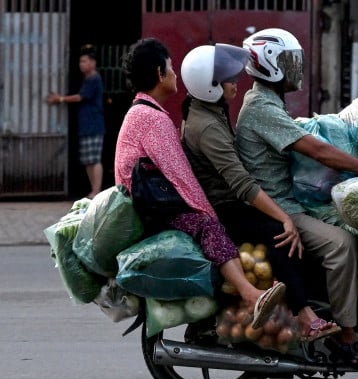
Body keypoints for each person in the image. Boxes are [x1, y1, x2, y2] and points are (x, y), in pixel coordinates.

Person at [236, 28, 358, 370]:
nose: (295, 68)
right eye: (287, 62)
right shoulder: (260, 107)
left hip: (290, 201)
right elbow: (318, 150)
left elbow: (307, 135)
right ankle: (348, 339)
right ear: (269, 66)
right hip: (281, 208)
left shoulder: (267, 103)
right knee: (342, 245)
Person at [114, 38, 285, 330]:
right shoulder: (151, 118)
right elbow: (182, 179)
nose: (175, 74)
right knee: (208, 226)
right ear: (159, 73)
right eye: (170, 67)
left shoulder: (144, 111)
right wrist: (210, 214)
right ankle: (250, 294)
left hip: (151, 204)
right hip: (154, 211)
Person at [180, 44, 340, 342]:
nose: (235, 82)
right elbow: (240, 183)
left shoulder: (209, 110)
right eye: (228, 79)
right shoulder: (207, 128)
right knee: (279, 232)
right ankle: (306, 317)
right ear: (210, 87)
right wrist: (285, 218)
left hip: (231, 201)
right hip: (225, 207)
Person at [47, 44, 105, 199]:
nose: (82, 64)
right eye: (80, 62)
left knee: (94, 158)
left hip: (94, 124)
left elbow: (80, 97)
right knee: (88, 160)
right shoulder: (88, 79)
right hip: (86, 125)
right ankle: (94, 189)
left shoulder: (94, 79)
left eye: (85, 61)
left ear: (93, 63)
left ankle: (97, 190)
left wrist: (60, 98)